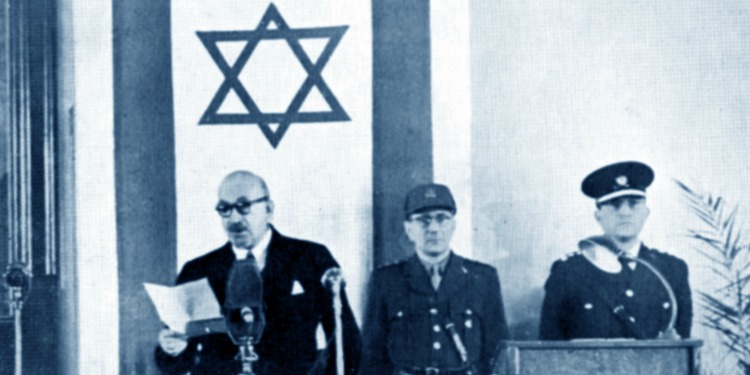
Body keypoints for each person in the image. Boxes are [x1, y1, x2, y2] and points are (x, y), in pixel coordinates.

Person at [154, 170, 362, 374]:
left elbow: (346, 338)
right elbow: (171, 364)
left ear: (269, 209)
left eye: (244, 207)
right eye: (224, 209)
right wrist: (172, 349)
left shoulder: (310, 259)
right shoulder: (198, 271)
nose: (234, 218)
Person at [362, 183, 509, 375]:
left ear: (453, 226)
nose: (433, 228)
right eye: (423, 220)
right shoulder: (387, 280)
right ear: (408, 229)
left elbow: (498, 352)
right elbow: (372, 357)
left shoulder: (482, 277)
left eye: (442, 219)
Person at [539, 161, 692, 340]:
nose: (624, 212)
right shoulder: (568, 271)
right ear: (599, 216)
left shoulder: (672, 270)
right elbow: (549, 349)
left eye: (634, 204)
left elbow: (682, 350)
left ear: (645, 213)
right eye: (614, 204)